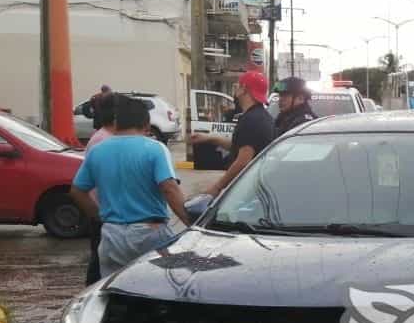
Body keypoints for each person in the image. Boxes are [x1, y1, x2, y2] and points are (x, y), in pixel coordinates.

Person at [70, 95, 191, 278]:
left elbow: (77, 191)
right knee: (156, 292)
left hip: (112, 235)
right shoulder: (155, 149)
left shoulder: (97, 150)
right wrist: (193, 225)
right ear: (147, 126)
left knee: (116, 293)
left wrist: (100, 216)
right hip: (150, 233)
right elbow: (169, 188)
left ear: (117, 123)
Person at [190, 70, 273, 199]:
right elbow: (240, 145)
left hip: (248, 189)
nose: (235, 89)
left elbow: (243, 160)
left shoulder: (251, 120)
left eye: (237, 86)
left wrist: (217, 187)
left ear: (244, 89)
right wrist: (209, 138)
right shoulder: (260, 116)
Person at [82, 94, 117, 284]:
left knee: (99, 258)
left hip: (103, 210)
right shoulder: (103, 140)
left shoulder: (105, 137)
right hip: (102, 211)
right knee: (98, 261)